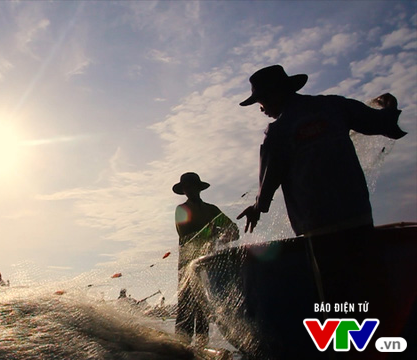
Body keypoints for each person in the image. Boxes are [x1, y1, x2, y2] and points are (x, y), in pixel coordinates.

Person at [237, 65, 407, 236]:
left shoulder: (277, 132)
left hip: (318, 226)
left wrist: (257, 208)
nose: (261, 108)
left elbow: (269, 180)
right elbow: (383, 123)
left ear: (275, 95)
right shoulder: (334, 105)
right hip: (358, 216)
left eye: (262, 102)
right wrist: (389, 104)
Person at [173, 172, 239, 344]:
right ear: (184, 191)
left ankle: (202, 343)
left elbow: (233, 229)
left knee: (203, 305)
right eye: (186, 188)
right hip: (187, 265)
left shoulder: (212, 209)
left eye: (192, 187)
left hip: (207, 264)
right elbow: (186, 235)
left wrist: (227, 233)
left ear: (198, 188)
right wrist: (212, 231)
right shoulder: (181, 210)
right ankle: (181, 344)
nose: (189, 190)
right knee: (186, 304)